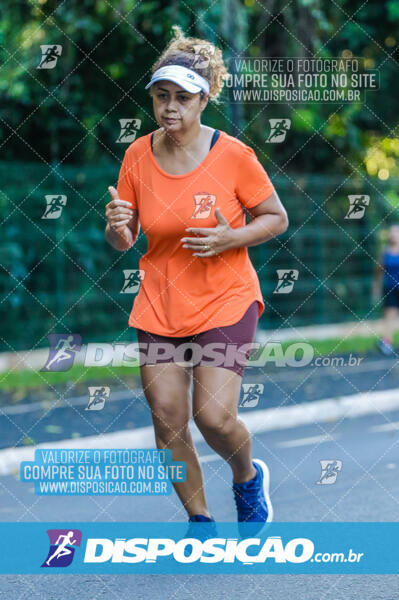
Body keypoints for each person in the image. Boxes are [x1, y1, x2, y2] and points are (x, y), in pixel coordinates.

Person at [105, 25, 288, 534]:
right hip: (160, 301)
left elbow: (276, 217)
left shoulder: (234, 155)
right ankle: (200, 520)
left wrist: (232, 239)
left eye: (182, 98)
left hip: (225, 299)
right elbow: (126, 238)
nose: (169, 108)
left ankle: (247, 477)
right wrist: (117, 229)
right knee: (167, 417)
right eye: (161, 96)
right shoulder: (136, 155)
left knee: (213, 418)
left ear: (204, 99)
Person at [373, 224, 399, 356]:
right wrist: (376, 289)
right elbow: (378, 272)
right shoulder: (385, 252)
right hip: (390, 289)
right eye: (392, 232)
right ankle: (387, 342)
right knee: (390, 315)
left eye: (396, 232)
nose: (393, 235)